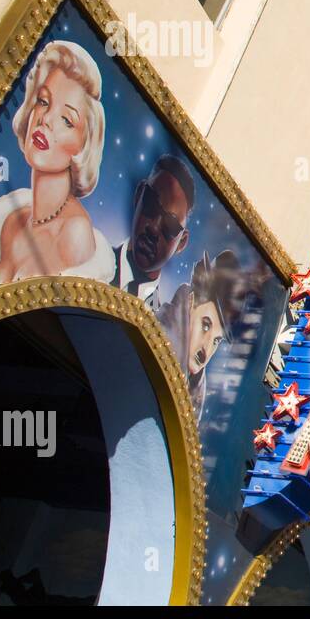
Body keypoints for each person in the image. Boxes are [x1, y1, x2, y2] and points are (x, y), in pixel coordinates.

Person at [0, 40, 114, 299]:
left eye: (66, 120)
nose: (46, 119)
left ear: (82, 148)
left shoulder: (74, 234)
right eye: (43, 101)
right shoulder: (13, 222)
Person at [156, 249, 244, 420]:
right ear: (190, 303)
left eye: (216, 341)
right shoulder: (155, 339)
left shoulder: (194, 392)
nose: (206, 348)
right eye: (205, 326)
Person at [110, 155, 195, 310]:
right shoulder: (90, 259)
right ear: (138, 196)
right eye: (150, 204)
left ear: (181, 243)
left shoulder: (158, 323)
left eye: (170, 224)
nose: (154, 228)